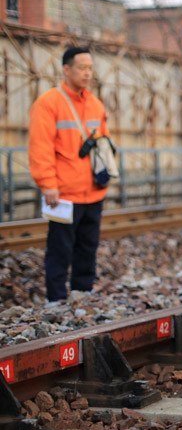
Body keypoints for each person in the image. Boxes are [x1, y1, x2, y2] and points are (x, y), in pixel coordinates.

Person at [28, 47, 111, 304]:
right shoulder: (49, 103)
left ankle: (82, 292)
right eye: (82, 68)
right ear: (66, 69)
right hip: (64, 194)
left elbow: (104, 143)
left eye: (90, 68)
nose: (88, 73)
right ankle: (56, 298)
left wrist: (106, 173)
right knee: (60, 249)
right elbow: (40, 147)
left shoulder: (95, 104)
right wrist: (47, 184)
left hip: (94, 191)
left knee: (88, 247)